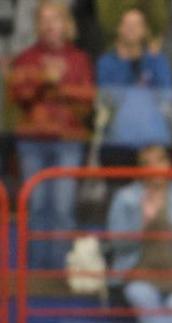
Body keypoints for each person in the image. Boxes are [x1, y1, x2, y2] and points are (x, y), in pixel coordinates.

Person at [8, 1, 94, 269]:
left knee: (62, 208)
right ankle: (34, 272)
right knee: (36, 206)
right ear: (37, 26)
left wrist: (59, 86)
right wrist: (43, 80)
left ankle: (59, 271)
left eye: (54, 18)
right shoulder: (26, 58)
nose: (49, 25)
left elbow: (89, 99)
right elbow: (16, 95)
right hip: (32, 141)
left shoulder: (79, 58)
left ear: (66, 23)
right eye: (43, 19)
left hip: (68, 141)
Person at [106, 144, 172, 323]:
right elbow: (117, 242)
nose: (155, 167)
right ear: (140, 169)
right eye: (148, 163)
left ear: (169, 164)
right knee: (141, 294)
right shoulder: (126, 197)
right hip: (140, 274)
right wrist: (143, 223)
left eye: (160, 160)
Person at [95, 5, 172, 167]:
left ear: (145, 30)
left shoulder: (157, 61)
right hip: (118, 142)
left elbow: (167, 95)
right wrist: (127, 63)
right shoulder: (106, 63)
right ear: (119, 29)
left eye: (137, 25)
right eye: (127, 24)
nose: (131, 29)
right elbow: (108, 98)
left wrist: (150, 61)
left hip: (153, 141)